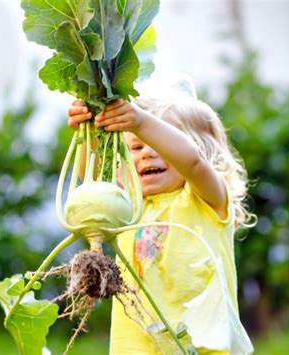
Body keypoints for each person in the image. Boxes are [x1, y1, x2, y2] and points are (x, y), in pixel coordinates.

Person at [67, 75, 256, 355]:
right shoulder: (130, 205)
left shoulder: (207, 199)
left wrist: (142, 124)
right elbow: (91, 176)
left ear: (204, 150)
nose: (147, 154)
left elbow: (192, 163)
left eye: (159, 145)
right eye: (136, 146)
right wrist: (87, 128)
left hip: (198, 346)